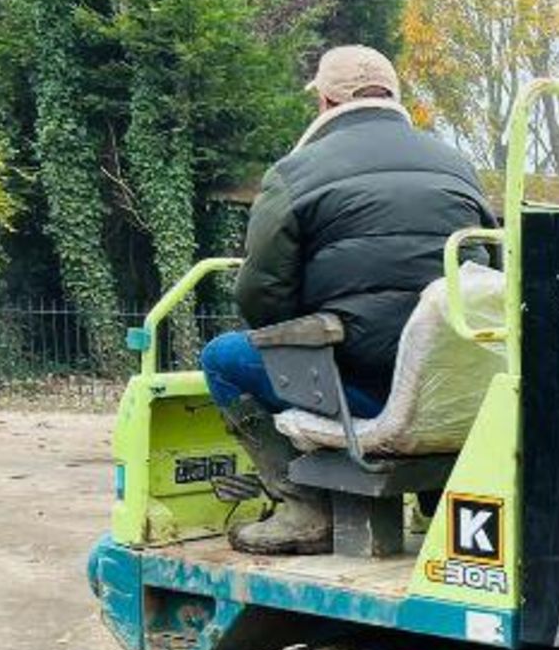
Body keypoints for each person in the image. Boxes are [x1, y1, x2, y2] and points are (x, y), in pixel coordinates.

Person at [200, 44, 495, 555]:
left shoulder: (295, 174)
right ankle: (433, 495)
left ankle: (305, 508)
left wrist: (311, 321)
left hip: (365, 390)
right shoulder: (458, 168)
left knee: (223, 359)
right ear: (394, 97)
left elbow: (261, 297)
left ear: (326, 103)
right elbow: (488, 276)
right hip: (452, 389)